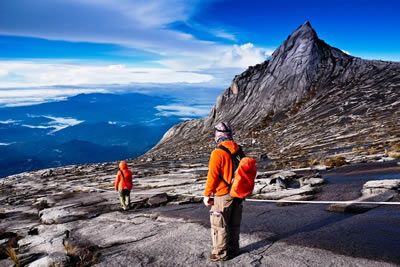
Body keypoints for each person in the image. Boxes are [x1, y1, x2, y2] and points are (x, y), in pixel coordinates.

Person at [203, 122, 245, 261]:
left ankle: (220, 253)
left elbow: (212, 176)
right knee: (234, 223)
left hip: (222, 194)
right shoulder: (239, 150)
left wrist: (207, 194)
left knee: (219, 225)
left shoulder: (218, 152)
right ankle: (234, 248)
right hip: (238, 193)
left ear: (217, 135)